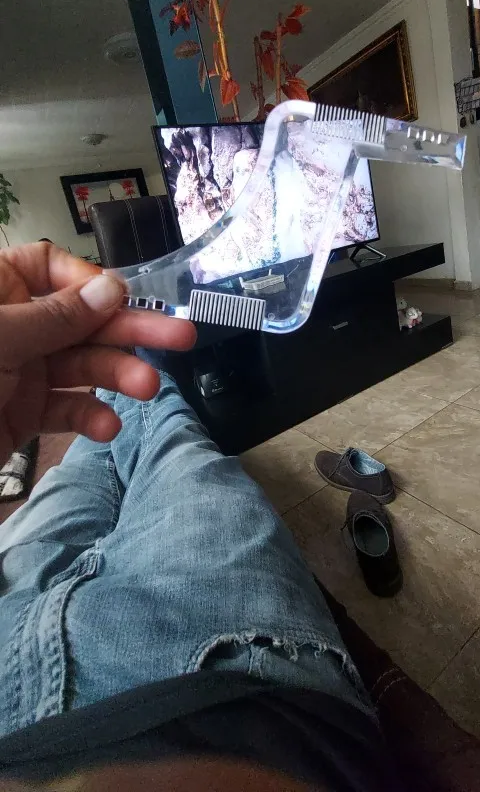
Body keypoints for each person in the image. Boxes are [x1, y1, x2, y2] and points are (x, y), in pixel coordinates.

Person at [0, 243, 401, 790]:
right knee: (170, 433)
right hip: (208, 677)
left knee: (81, 462)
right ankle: (140, 378)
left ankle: (123, 381)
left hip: (9, 602)